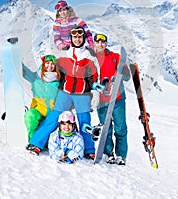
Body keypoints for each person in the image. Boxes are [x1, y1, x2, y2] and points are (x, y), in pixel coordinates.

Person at [28, 26, 99, 159]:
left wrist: (95, 91)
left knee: (85, 121)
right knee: (54, 117)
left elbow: (94, 77)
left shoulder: (89, 56)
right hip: (65, 92)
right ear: (71, 39)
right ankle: (36, 143)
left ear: (83, 38)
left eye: (79, 37)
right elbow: (56, 71)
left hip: (82, 93)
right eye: (74, 37)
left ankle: (89, 149)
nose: (77, 39)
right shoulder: (64, 53)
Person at [94, 33, 131, 165]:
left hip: (118, 98)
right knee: (106, 128)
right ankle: (109, 153)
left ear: (106, 43)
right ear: (94, 43)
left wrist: (121, 73)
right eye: (97, 42)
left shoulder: (115, 57)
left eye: (103, 42)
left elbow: (127, 77)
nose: (100, 44)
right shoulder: (92, 58)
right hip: (102, 100)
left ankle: (121, 155)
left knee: (120, 127)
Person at [22, 54, 60, 144]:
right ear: (43, 64)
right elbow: (24, 71)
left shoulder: (59, 81)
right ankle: (32, 140)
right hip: (38, 111)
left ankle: (44, 142)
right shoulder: (36, 77)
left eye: (52, 64)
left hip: (51, 114)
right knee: (30, 115)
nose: (50, 66)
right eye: (47, 63)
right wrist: (13, 54)